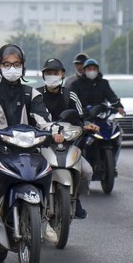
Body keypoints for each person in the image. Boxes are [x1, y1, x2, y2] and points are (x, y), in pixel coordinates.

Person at [0, 44, 63, 243]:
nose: (12, 68)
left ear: (23, 66)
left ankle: (43, 217)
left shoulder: (32, 93)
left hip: (28, 147)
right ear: (0, 67)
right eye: (7, 64)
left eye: (16, 64)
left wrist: (55, 132)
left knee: (46, 169)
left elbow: (44, 118)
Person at [37, 58, 95, 219]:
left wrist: (86, 126)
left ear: (62, 74)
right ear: (43, 75)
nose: (52, 76)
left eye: (55, 73)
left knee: (87, 171)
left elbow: (80, 119)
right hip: (41, 146)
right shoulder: (36, 96)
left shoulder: (71, 96)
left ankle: (75, 198)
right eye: (48, 73)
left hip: (68, 145)